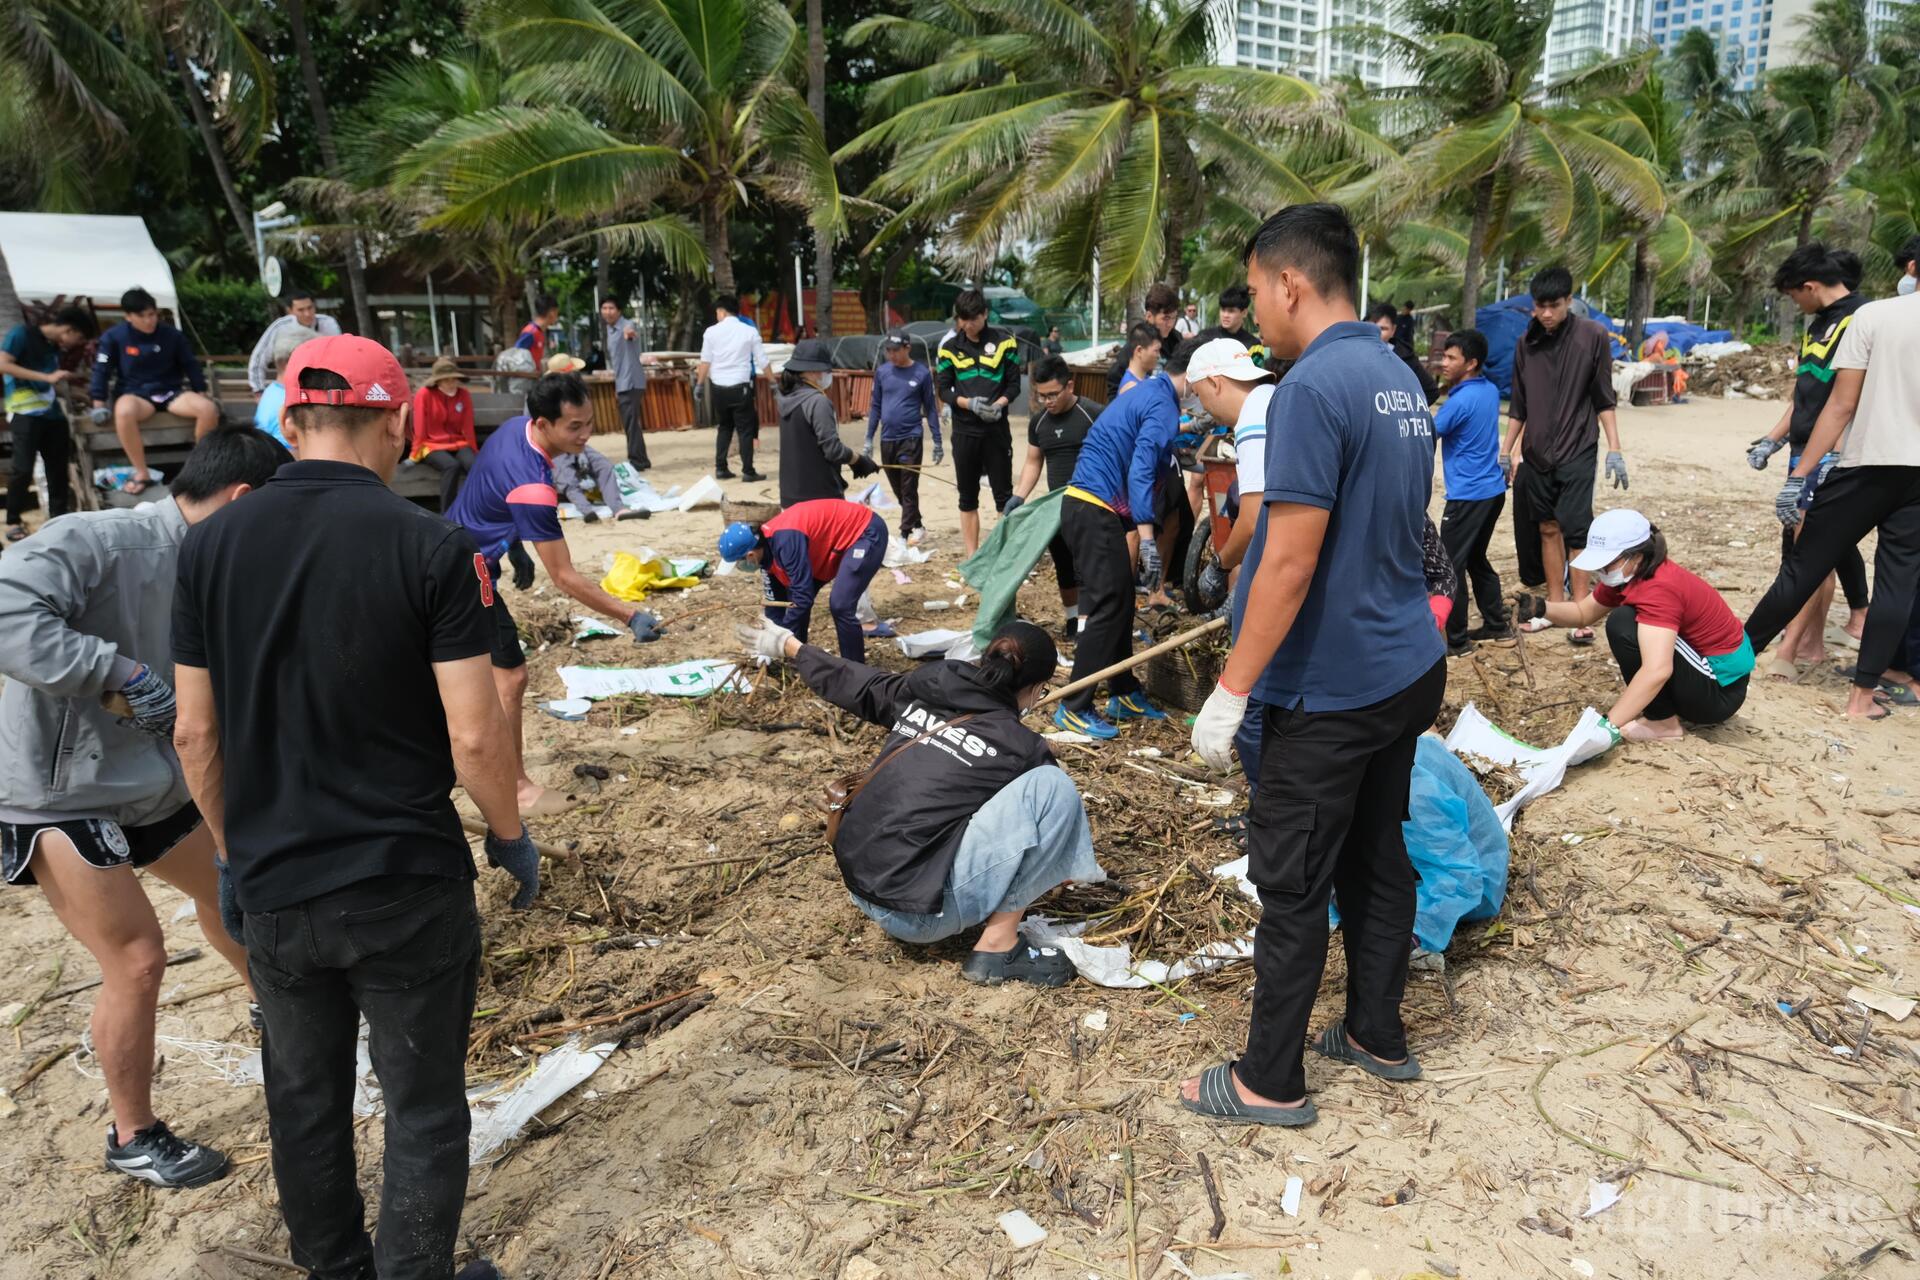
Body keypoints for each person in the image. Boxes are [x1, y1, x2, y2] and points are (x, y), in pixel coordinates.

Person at [172, 336, 532, 1280]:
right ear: (401, 423)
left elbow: (194, 739)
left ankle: (334, 1268)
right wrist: (508, 833)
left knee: (303, 1097)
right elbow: (477, 736)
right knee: (421, 1105)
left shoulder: (206, 547)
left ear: (287, 422)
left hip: (276, 880)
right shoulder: (432, 546)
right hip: (402, 877)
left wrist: (229, 857)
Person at [1180, 203, 1446, 1128]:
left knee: (1290, 880)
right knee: (1377, 855)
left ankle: (1269, 1080)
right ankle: (1376, 1031)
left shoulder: (1303, 392)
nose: (1253, 312)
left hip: (1332, 686)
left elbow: (1286, 562)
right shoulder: (1396, 373)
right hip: (1407, 664)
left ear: (1290, 282)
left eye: (1254, 292)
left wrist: (1230, 689)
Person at [0, 427, 283, 1190]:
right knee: (136, 958)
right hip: (55, 793)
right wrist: (111, 667)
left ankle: (281, 1026)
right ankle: (134, 1134)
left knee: (236, 890)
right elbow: (5, 609)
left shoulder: (219, 566)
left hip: (149, 778)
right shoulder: (100, 540)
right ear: (243, 502)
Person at [735, 615, 1099, 985]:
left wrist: (788, 646)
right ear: (1038, 690)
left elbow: (850, 680)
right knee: (1054, 788)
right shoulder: (1021, 747)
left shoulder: (924, 689)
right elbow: (1044, 828)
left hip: (861, 886)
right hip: (916, 917)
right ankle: (997, 948)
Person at [448, 371, 663, 814]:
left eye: (589, 422)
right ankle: (516, 788)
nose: (586, 434)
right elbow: (563, 576)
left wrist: (513, 545)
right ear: (544, 424)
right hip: (466, 573)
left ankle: (462, 766)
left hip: (451, 547)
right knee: (510, 677)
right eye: (575, 427)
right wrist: (628, 615)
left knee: (466, 675)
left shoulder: (513, 428)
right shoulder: (534, 487)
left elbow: (489, 489)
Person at [1746, 285, 1920, 721]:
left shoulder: (1874, 316)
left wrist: (1800, 476)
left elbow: (1841, 405)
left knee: (1804, 566)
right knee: (1898, 583)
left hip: (1868, 463)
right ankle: (1861, 698)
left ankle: (1731, 660)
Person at [1513, 509, 1749, 746]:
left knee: (1623, 623)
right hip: (1702, 680)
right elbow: (1583, 613)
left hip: (1720, 692)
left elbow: (1657, 670)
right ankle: (1663, 716)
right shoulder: (1629, 575)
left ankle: (1663, 722)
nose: (1602, 571)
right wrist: (1539, 607)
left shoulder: (1659, 588)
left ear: (1636, 555)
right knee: (1627, 622)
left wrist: (1606, 727)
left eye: (1608, 563)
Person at [1746, 244, 1871, 674]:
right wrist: (1772, 440)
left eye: (1792, 295)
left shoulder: (1860, 321)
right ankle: (1809, 643)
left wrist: (1814, 466)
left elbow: (1844, 404)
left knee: (1810, 551)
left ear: (1810, 286)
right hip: (1804, 452)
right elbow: (1804, 395)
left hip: (1832, 453)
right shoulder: (1818, 325)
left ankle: (1791, 650)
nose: (1792, 303)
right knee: (1810, 548)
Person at [1052, 347, 1180, 739]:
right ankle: (1073, 704)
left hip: (1090, 508)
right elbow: (1141, 468)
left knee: (1121, 601)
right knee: (1108, 606)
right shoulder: (1162, 405)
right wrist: (1148, 539)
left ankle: (1121, 689)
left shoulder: (1151, 394)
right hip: (1092, 508)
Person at [1503, 266, 1626, 645]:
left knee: (1577, 532)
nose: (1546, 314)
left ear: (1569, 302)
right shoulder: (1527, 344)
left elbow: (1604, 396)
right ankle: (1553, 608)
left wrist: (1615, 449)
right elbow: (1519, 404)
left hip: (1577, 450)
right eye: (1539, 307)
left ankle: (1580, 609)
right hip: (1537, 452)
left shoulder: (1593, 336)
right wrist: (1505, 451)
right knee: (1546, 528)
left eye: (1554, 306)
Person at [719, 497, 888, 662]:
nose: (740, 568)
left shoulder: (786, 541)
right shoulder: (765, 557)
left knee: (840, 605)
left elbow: (803, 596)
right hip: (832, 543)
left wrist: (781, 640)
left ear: (750, 555)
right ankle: (797, 660)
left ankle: (855, 671)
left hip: (864, 531)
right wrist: (771, 638)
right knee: (795, 602)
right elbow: (775, 605)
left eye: (738, 563)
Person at [89, 288, 219, 494]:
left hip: (170, 391)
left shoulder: (172, 335)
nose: (149, 320)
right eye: (142, 316)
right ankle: (142, 473)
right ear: (128, 316)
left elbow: (190, 364)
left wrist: (200, 390)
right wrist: (98, 402)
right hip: (136, 393)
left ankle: (199, 466)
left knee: (207, 409)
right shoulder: (114, 337)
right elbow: (101, 369)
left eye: (152, 314)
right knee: (123, 411)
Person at [1432, 329, 1510, 655]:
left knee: (1450, 567)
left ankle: (1458, 640)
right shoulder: (1489, 390)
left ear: (1472, 363)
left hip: (1468, 497)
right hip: (1493, 492)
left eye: (1452, 358)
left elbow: (1426, 432)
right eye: (1444, 355)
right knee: (1476, 559)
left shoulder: (1459, 401)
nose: (1444, 362)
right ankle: (1497, 624)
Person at [935, 289, 1022, 556]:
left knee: (1003, 495)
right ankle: (973, 556)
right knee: (967, 497)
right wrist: (967, 403)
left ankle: (1003, 555)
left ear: (985, 314)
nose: (968, 324)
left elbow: (1014, 385)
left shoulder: (1005, 342)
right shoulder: (949, 349)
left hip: (996, 429)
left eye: (973, 318)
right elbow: (944, 389)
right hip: (965, 431)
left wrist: (999, 405)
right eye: (963, 319)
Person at [3, 304, 92, 540]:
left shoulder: (53, 347)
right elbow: (3, 364)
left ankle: (58, 520)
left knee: (57, 469)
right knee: (22, 468)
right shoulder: (21, 335)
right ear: (69, 330)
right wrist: (47, 377)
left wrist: (80, 393)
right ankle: (13, 521)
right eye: (79, 337)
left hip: (52, 413)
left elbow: (50, 385)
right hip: (24, 412)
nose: (76, 343)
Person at [777, 339, 877, 506]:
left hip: (790, 496)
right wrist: (859, 460)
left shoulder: (786, 398)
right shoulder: (817, 402)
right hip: (819, 497)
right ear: (814, 371)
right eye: (826, 370)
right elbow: (833, 450)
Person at [864, 330, 942, 540]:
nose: (892, 355)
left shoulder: (922, 373)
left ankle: (904, 533)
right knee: (898, 489)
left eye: (896, 351)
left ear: (907, 348)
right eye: (888, 351)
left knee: (909, 487)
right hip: (887, 439)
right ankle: (917, 525)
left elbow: (931, 408)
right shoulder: (882, 372)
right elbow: (876, 406)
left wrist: (937, 441)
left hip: (911, 438)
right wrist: (869, 438)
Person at [697, 294, 767, 481]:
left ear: (721, 311)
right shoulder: (749, 331)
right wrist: (774, 383)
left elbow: (705, 361)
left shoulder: (710, 332)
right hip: (741, 387)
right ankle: (748, 471)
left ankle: (721, 468)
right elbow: (762, 360)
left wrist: (699, 385)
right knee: (745, 429)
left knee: (724, 427)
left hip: (718, 387)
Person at [411, 356, 480, 511]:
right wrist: (415, 452)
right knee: (451, 466)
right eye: (446, 380)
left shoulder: (464, 394)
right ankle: (447, 513)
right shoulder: (425, 394)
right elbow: (420, 425)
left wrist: (474, 450)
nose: (451, 383)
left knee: (475, 465)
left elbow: (468, 426)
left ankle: (475, 509)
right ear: (437, 381)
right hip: (431, 444)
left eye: (454, 379)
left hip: (458, 442)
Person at [245, 291, 341, 395]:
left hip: (324, 386)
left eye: (310, 308)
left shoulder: (328, 323)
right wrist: (258, 390)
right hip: (288, 388)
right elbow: (259, 358)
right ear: (290, 311)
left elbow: (339, 355)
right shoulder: (281, 327)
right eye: (301, 310)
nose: (307, 314)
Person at [600, 296, 656, 470]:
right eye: (604, 308)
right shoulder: (610, 330)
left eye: (611, 308)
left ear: (619, 311)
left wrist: (629, 333)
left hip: (631, 382)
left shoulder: (626, 324)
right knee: (631, 423)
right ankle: (642, 459)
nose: (607, 312)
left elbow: (631, 330)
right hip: (623, 382)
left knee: (630, 423)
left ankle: (636, 461)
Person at [1106, 283, 1183, 398]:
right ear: (1149, 316)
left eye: (1174, 317)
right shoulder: (1135, 345)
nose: (1171, 324)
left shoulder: (1176, 340)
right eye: (1165, 318)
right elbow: (1114, 384)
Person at [1368, 301, 1438, 401]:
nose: (1376, 333)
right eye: (1371, 327)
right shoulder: (1353, 354)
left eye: (1383, 329)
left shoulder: (1405, 358)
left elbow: (1431, 391)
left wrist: (1405, 411)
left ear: (1393, 330)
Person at [1189, 284, 1269, 368]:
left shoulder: (1253, 345)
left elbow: (1256, 376)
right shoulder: (1204, 337)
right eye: (1223, 310)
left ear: (1244, 312)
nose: (1225, 315)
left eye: (1231, 311)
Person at [1113, 320, 1162, 396]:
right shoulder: (1131, 388)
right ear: (1139, 351)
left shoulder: (1144, 380)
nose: (1159, 356)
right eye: (1156, 350)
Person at [515, 294, 558, 373]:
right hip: (527, 379)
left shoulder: (539, 332)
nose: (557, 316)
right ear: (552, 313)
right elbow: (516, 355)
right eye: (557, 312)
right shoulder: (531, 332)